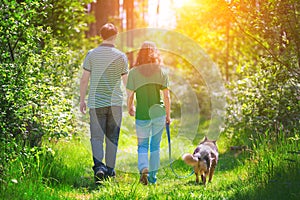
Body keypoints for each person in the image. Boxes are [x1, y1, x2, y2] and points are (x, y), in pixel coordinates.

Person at [79, 23, 128, 183]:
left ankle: (99, 167)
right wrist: (131, 102)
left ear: (101, 36)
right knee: (112, 138)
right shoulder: (121, 56)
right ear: (115, 36)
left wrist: (82, 100)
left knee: (97, 138)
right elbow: (127, 82)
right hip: (115, 103)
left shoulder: (91, 54)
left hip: (96, 102)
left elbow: (84, 79)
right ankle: (110, 170)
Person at [126, 41, 171, 185]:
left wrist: (130, 108)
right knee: (155, 147)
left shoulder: (133, 72)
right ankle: (152, 178)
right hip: (159, 114)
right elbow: (166, 97)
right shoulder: (161, 71)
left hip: (142, 114)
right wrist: (168, 116)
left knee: (143, 145)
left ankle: (143, 167)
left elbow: (130, 95)